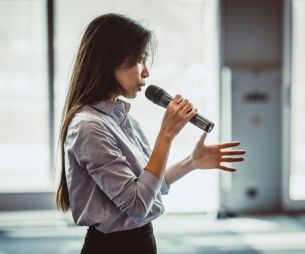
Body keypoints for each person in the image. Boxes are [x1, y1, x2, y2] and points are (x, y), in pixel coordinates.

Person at [55, 13, 246, 254]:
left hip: (140, 240)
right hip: (113, 247)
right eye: (139, 60)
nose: (146, 72)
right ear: (107, 61)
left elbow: (148, 187)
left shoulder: (119, 118)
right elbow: (136, 205)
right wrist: (166, 135)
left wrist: (191, 162)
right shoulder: (89, 126)